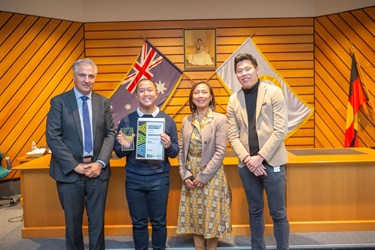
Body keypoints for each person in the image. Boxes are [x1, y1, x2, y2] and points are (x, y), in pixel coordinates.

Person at [46, 58, 116, 250]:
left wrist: (100, 162)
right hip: (69, 173)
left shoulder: (103, 102)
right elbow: (53, 137)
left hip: (97, 171)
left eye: (91, 76)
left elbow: (110, 133)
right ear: (74, 76)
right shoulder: (59, 102)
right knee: (73, 223)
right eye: (82, 75)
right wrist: (75, 166)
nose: (87, 80)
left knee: (97, 223)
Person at [227, 53, 290, 250]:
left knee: (278, 213)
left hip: (273, 163)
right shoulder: (233, 100)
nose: (244, 73)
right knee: (254, 211)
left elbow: (280, 130)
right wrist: (248, 160)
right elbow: (233, 135)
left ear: (257, 70)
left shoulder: (273, 92)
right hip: (247, 166)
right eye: (239, 71)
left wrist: (260, 158)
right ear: (236, 75)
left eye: (247, 69)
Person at [113, 78, 179, 250]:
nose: (146, 94)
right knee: (139, 223)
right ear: (136, 95)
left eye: (149, 90)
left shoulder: (167, 120)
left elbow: (175, 152)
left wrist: (168, 146)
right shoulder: (128, 120)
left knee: (159, 222)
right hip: (134, 180)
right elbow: (119, 153)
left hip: (159, 179)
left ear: (156, 93)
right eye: (141, 91)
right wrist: (126, 146)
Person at [176, 81, 232, 249]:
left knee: (211, 217)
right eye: (196, 93)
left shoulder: (220, 119)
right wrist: (184, 174)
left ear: (211, 96)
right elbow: (181, 150)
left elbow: (220, 151)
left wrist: (203, 177)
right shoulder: (186, 120)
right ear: (192, 98)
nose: (200, 95)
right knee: (195, 217)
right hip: (190, 175)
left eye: (204, 92)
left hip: (212, 175)